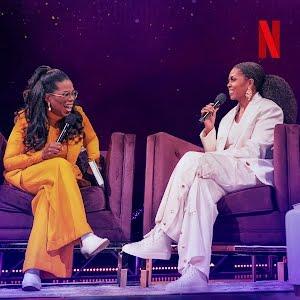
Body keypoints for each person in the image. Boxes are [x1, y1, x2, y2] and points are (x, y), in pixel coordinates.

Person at [122, 62, 284, 293]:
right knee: (200, 185)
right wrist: (210, 129)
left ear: (250, 83)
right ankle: (195, 273)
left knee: (190, 159)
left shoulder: (269, 109)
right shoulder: (227, 117)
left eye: (233, 79)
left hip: (252, 171)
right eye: (228, 79)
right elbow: (212, 158)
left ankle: (162, 234)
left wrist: (218, 157)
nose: (228, 84)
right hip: (227, 171)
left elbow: (254, 151)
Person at [3, 66, 110, 291]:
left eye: (73, 93)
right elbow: (9, 162)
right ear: (48, 97)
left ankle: (32, 271)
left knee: (46, 201)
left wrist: (93, 161)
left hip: (60, 180)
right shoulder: (26, 119)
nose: (71, 99)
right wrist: (41, 155)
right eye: (65, 95)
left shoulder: (77, 116)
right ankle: (85, 235)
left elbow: (91, 139)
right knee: (59, 165)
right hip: (27, 176)